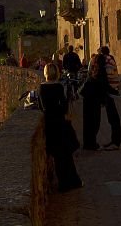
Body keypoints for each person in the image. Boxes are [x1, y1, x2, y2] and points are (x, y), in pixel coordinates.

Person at [39, 62, 83, 192]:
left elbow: (43, 107)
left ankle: (64, 183)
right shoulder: (58, 87)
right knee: (66, 155)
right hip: (60, 123)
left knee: (58, 156)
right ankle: (71, 182)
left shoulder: (42, 88)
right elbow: (64, 107)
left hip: (50, 124)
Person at [99, 46, 121, 150]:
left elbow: (108, 74)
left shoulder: (107, 60)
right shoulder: (110, 58)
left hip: (110, 91)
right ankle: (114, 141)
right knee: (112, 117)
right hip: (112, 90)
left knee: (113, 117)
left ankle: (115, 142)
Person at [80, 53, 104, 150]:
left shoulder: (92, 71)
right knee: (94, 123)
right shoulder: (99, 72)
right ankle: (92, 143)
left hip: (87, 100)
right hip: (94, 100)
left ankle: (88, 143)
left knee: (88, 123)